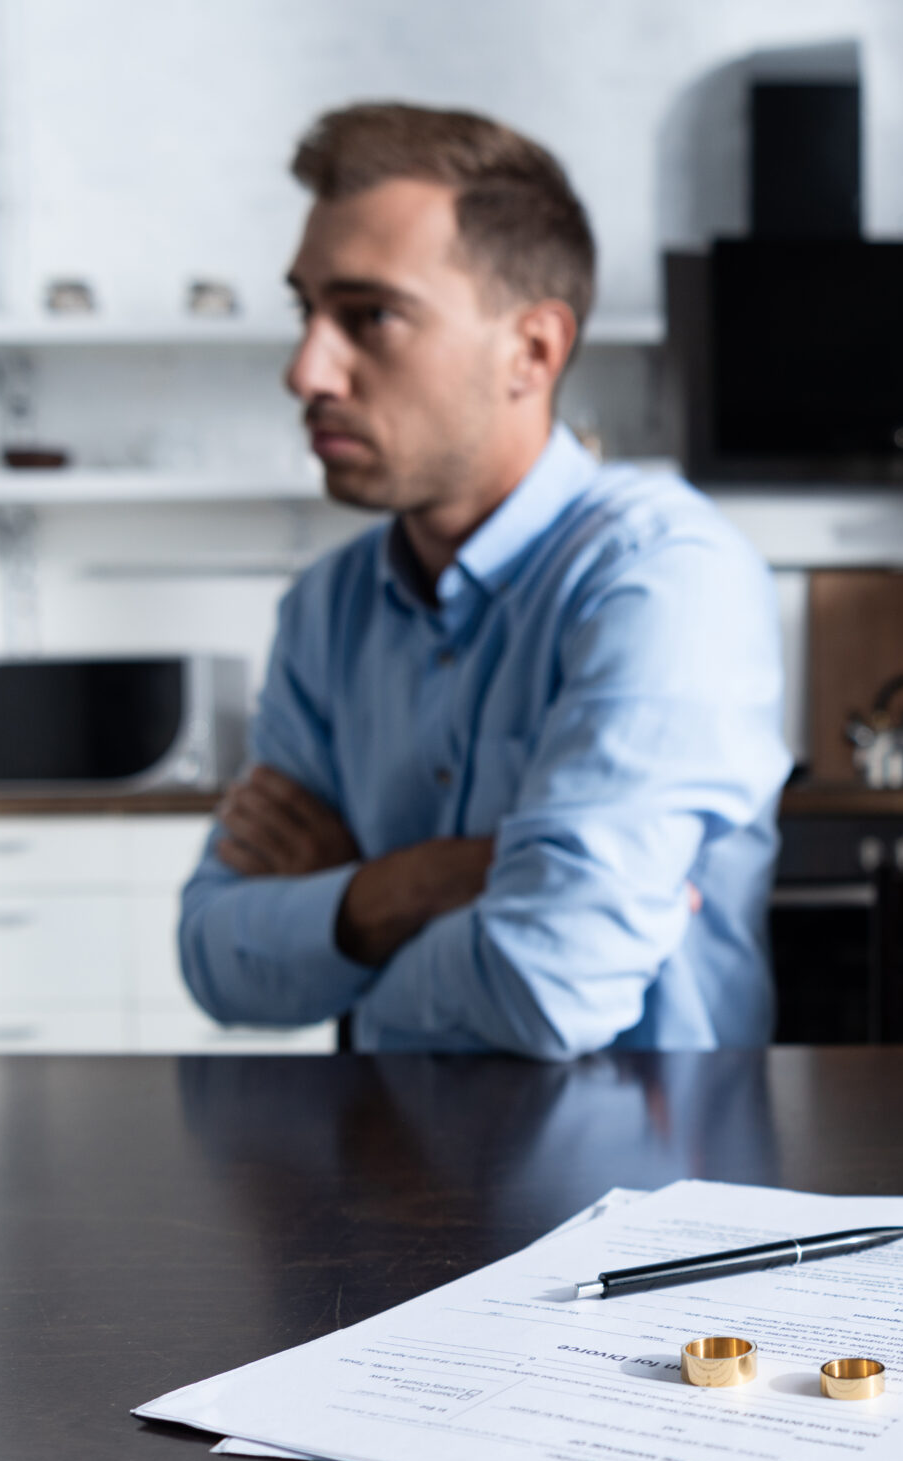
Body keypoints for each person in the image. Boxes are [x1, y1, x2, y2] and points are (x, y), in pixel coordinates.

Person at [178, 104, 787, 1058]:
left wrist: (347, 902)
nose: (307, 371)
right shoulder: (324, 611)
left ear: (533, 351)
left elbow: (549, 985)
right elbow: (214, 956)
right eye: (307, 311)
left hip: (647, 1188)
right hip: (384, 1181)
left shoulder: (662, 579)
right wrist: (424, 878)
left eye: (370, 315)